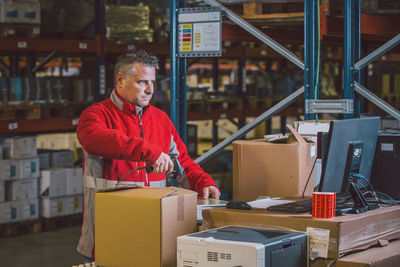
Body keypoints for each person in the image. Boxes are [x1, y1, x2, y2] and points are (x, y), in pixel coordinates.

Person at [76, 48, 220, 261]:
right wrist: (148, 152)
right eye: (142, 82)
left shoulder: (160, 119)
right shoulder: (96, 115)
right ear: (120, 79)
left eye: (153, 82)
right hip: (106, 237)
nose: (150, 89)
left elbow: (182, 161)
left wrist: (203, 182)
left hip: (152, 235)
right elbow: (96, 138)